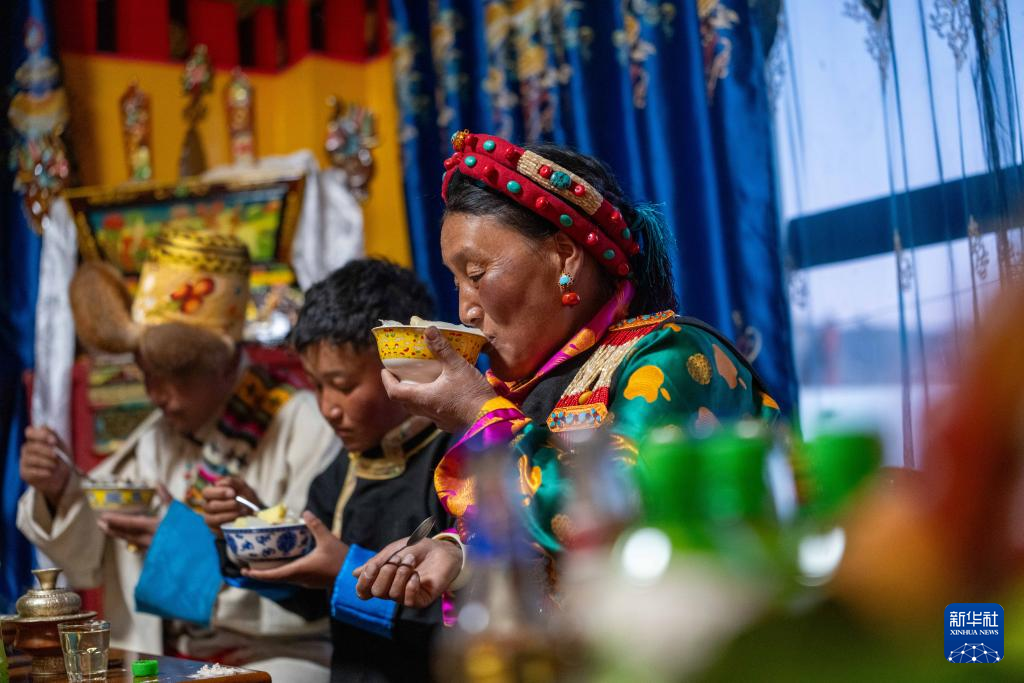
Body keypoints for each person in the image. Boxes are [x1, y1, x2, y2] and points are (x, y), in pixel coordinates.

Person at [353, 132, 780, 609]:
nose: (465, 310)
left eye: (476, 274)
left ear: (564, 256)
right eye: (457, 284)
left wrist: (479, 414)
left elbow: (620, 527)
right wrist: (456, 554)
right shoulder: (519, 390)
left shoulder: (672, 356)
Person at [17, 229, 337, 680]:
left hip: (274, 657)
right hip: (158, 657)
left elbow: (311, 589)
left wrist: (182, 547)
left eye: (179, 376)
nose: (158, 395)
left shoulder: (305, 426)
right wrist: (58, 490)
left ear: (229, 363)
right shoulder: (155, 436)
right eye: (148, 374)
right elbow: (87, 560)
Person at [234, 259, 453, 683]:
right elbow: (310, 602)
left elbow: (457, 621)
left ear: (404, 367)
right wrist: (256, 538)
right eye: (316, 385)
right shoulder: (342, 470)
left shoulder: (455, 462)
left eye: (344, 386)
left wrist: (345, 572)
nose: (328, 408)